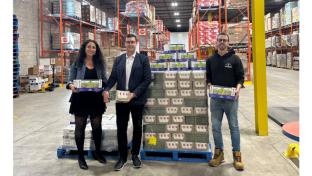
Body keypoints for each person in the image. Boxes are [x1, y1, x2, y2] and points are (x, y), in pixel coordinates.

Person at [103, 34, 151, 171]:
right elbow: (112, 78)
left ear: (136, 43)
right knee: (121, 128)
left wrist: (134, 93)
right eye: (128, 42)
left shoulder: (143, 59)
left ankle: (135, 155)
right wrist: (106, 89)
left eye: (132, 42)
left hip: (136, 99)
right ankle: (122, 157)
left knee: (137, 127)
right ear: (125, 44)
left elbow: (147, 79)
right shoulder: (118, 60)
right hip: (121, 99)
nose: (130, 44)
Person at [206, 32, 245, 171]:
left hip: (231, 100)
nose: (222, 42)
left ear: (228, 43)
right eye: (220, 40)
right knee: (216, 127)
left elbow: (241, 77)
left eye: (224, 40)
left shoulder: (235, 59)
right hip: (216, 99)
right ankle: (219, 154)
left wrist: (238, 88)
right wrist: (209, 85)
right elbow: (208, 77)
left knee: (233, 126)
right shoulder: (210, 59)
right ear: (216, 43)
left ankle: (237, 155)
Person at [66, 40, 108, 170]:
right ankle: (81, 157)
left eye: (94, 47)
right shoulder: (77, 64)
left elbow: (105, 81)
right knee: (80, 128)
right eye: (89, 47)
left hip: (96, 99)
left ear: (96, 50)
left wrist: (105, 90)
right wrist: (71, 86)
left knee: (97, 127)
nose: (91, 49)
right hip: (80, 99)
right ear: (84, 48)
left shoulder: (100, 64)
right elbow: (69, 81)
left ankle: (97, 153)